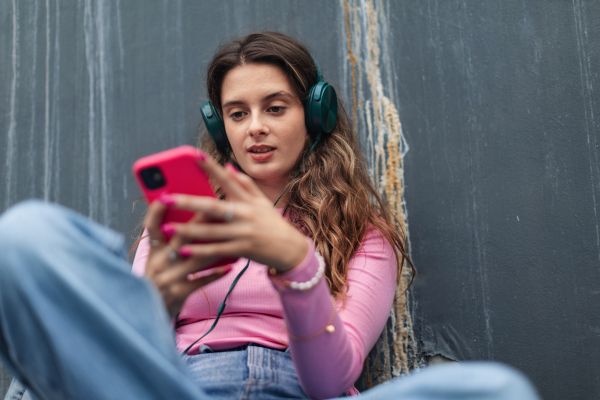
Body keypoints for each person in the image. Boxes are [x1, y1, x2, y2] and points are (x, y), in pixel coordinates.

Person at [0, 32, 539, 400]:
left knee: (492, 390)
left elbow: (332, 380)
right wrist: (155, 303)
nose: (255, 126)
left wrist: (298, 267)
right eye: (237, 113)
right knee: (22, 236)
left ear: (316, 113)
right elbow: (128, 357)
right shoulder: (181, 220)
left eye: (275, 107)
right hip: (177, 386)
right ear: (221, 130)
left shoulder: (361, 231)